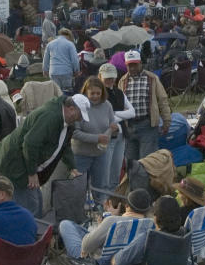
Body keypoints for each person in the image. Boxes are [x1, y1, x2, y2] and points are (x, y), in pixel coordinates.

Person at [0, 95, 85, 216]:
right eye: (80, 115)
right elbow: (30, 143)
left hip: (24, 163)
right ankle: (24, 231)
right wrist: (32, 172)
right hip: (15, 163)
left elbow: (65, 145)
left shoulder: (67, 123)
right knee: (29, 206)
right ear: (71, 109)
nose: (80, 120)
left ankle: (32, 229)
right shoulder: (51, 117)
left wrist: (72, 167)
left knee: (35, 203)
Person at [118, 50, 171, 165]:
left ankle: (147, 183)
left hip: (147, 126)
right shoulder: (122, 81)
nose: (132, 68)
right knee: (130, 164)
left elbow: (162, 100)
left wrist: (166, 121)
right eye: (129, 65)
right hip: (129, 127)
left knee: (147, 163)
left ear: (140, 63)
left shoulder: (152, 78)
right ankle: (133, 183)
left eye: (134, 65)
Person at [70, 78, 117, 197]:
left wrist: (112, 129)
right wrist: (97, 138)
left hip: (101, 153)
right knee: (78, 187)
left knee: (101, 186)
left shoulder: (107, 105)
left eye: (98, 93)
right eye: (92, 93)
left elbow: (112, 123)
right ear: (86, 92)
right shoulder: (79, 106)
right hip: (81, 154)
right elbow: (74, 133)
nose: (95, 96)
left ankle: (100, 210)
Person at [98, 63, 134, 197]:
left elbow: (132, 113)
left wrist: (114, 115)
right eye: (107, 78)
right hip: (108, 137)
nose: (110, 81)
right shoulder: (99, 93)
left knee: (116, 171)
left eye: (112, 78)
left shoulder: (119, 92)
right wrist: (116, 116)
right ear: (100, 77)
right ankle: (103, 200)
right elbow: (103, 117)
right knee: (105, 173)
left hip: (121, 135)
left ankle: (113, 200)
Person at [42, 28, 79, 93]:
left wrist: (45, 70)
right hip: (66, 72)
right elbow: (75, 60)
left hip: (53, 72)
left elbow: (46, 59)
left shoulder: (50, 44)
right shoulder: (70, 44)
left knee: (55, 92)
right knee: (66, 92)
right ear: (69, 36)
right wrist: (76, 70)